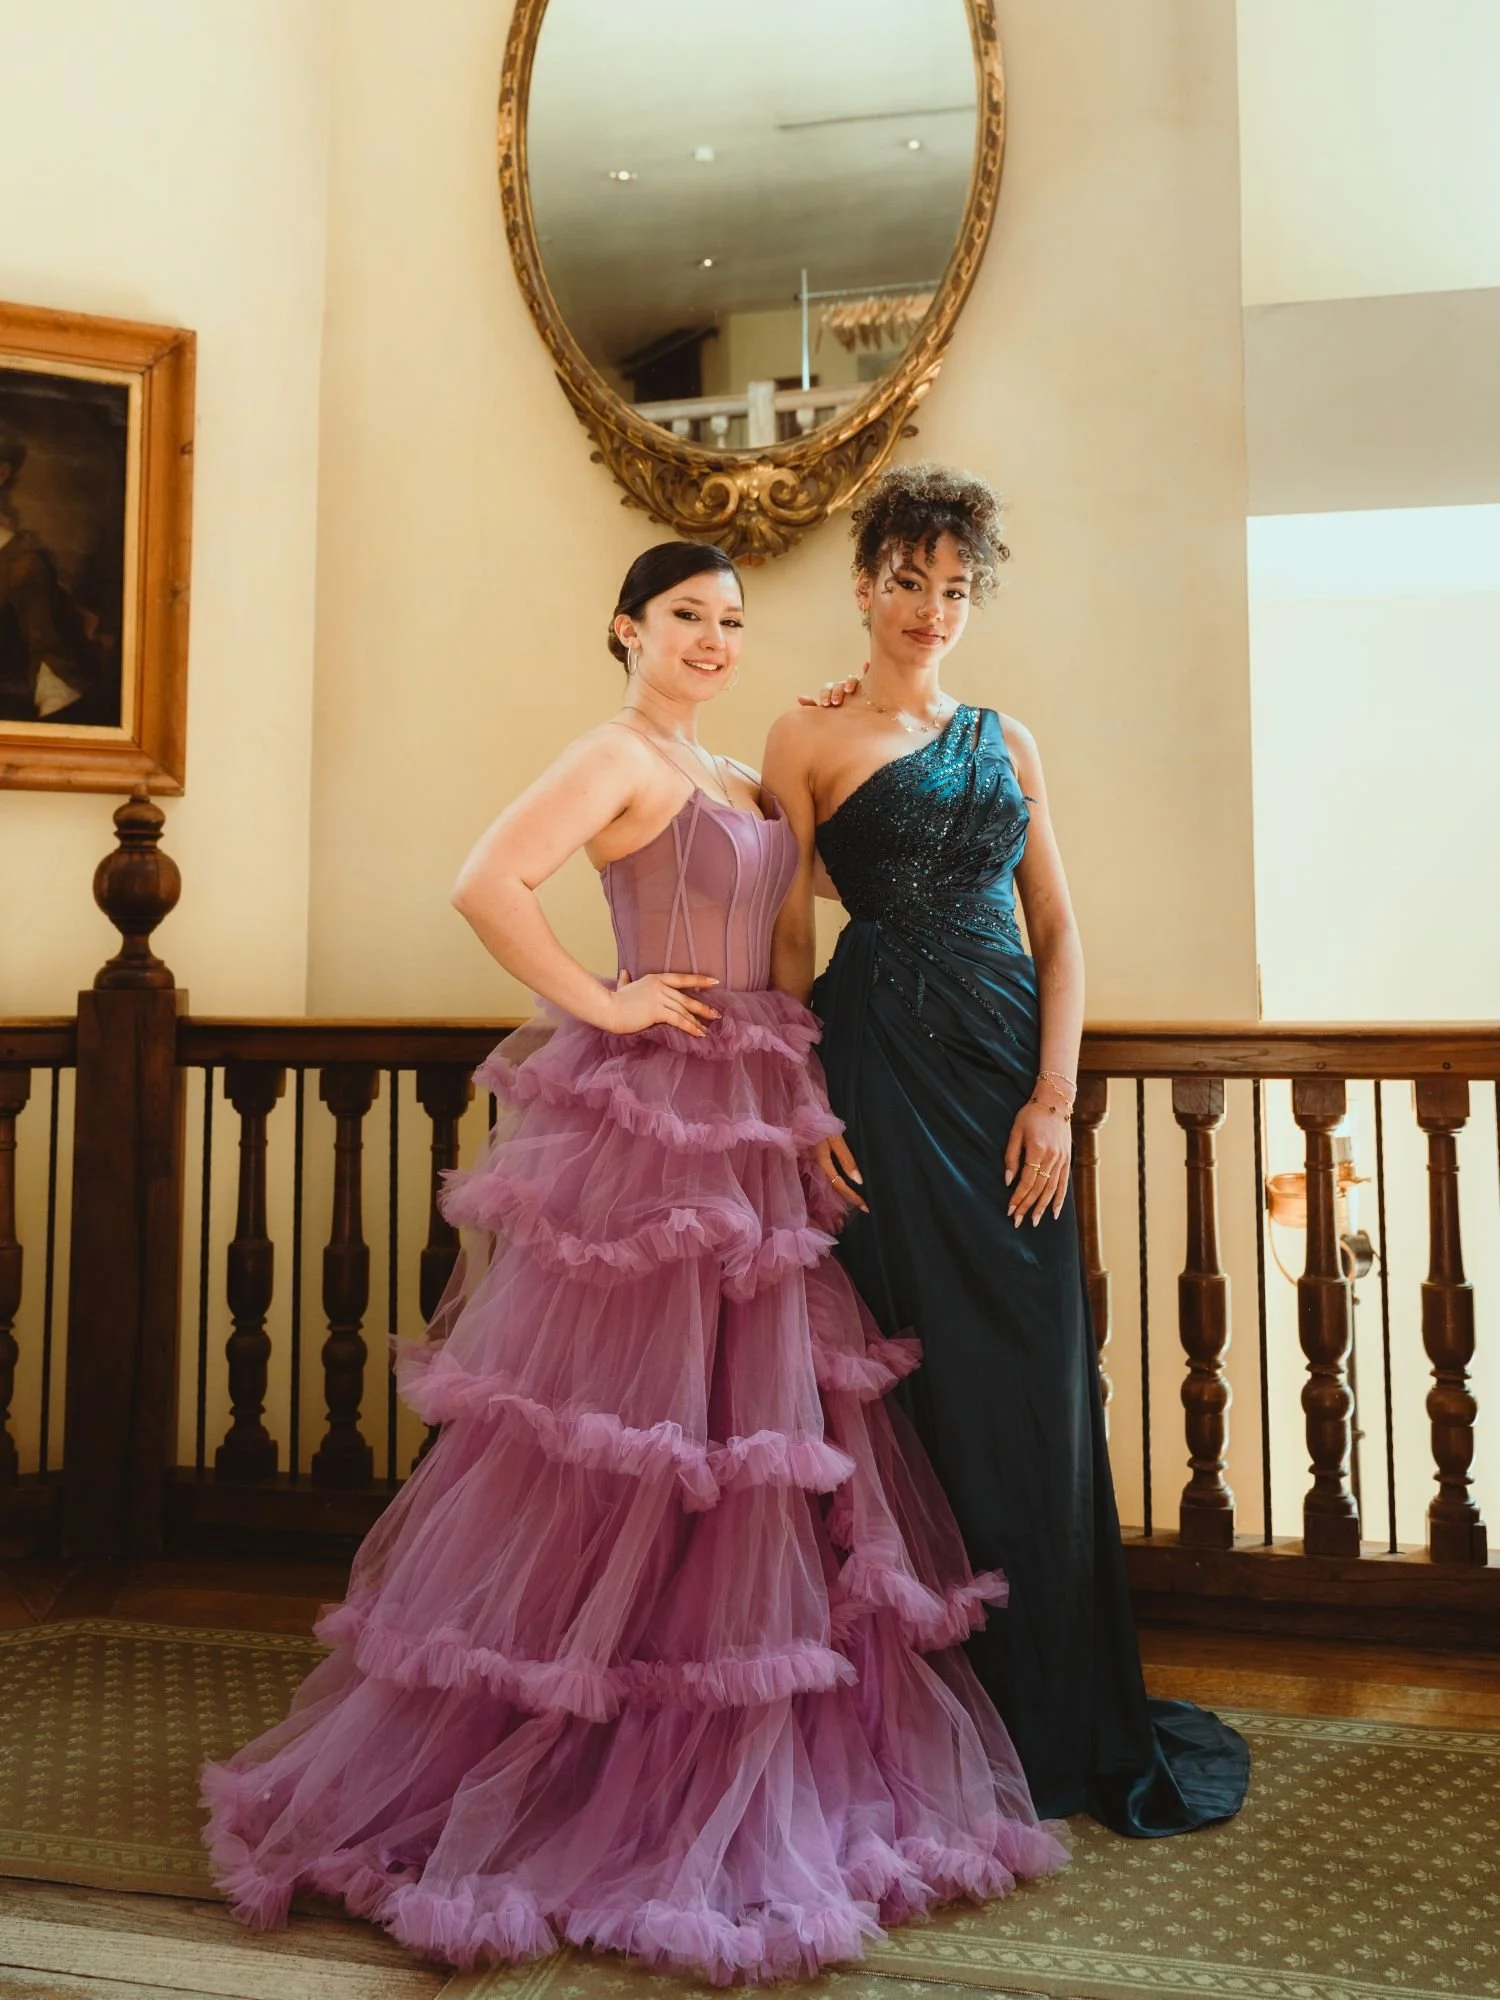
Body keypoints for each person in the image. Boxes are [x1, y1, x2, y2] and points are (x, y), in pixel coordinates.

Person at [201, 539, 1065, 1983]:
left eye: (730, 620)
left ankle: (710, 1736)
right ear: (627, 628)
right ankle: (583, 1769)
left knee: (743, 1436)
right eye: (686, 617)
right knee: (642, 1433)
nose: (716, 639)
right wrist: (599, 1000)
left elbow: (802, 897)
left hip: (764, 1097)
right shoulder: (613, 754)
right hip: (659, 1117)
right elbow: (488, 883)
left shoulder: (730, 770)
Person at [762, 463, 1250, 1836]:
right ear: (864, 585)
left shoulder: (1007, 737)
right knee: (915, 1390)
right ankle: (926, 1719)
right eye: (908, 581)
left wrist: (1058, 1097)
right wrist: (806, 1108)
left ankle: (1054, 1715)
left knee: (1039, 1389)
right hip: (877, 1076)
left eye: (955, 588)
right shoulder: (801, 740)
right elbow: (789, 937)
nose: (930, 608)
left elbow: (1060, 930)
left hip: (1003, 1085)